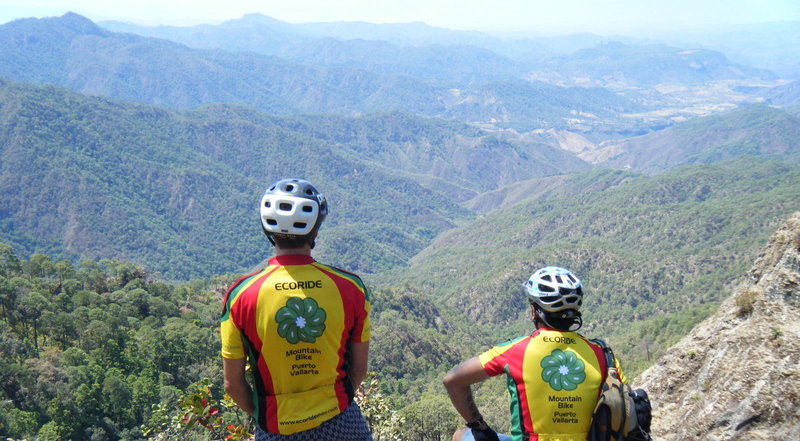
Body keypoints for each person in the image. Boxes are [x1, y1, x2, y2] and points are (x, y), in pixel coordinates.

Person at [220, 178, 373, 441]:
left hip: (276, 427)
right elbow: (358, 370)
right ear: (315, 229)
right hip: (342, 421)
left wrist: (265, 416)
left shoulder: (241, 297)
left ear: (267, 229)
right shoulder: (350, 288)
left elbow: (233, 385)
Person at [443, 266, 625, 441]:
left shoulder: (515, 351)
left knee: (461, 435)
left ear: (533, 311)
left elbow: (452, 380)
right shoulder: (602, 354)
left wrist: (479, 425)